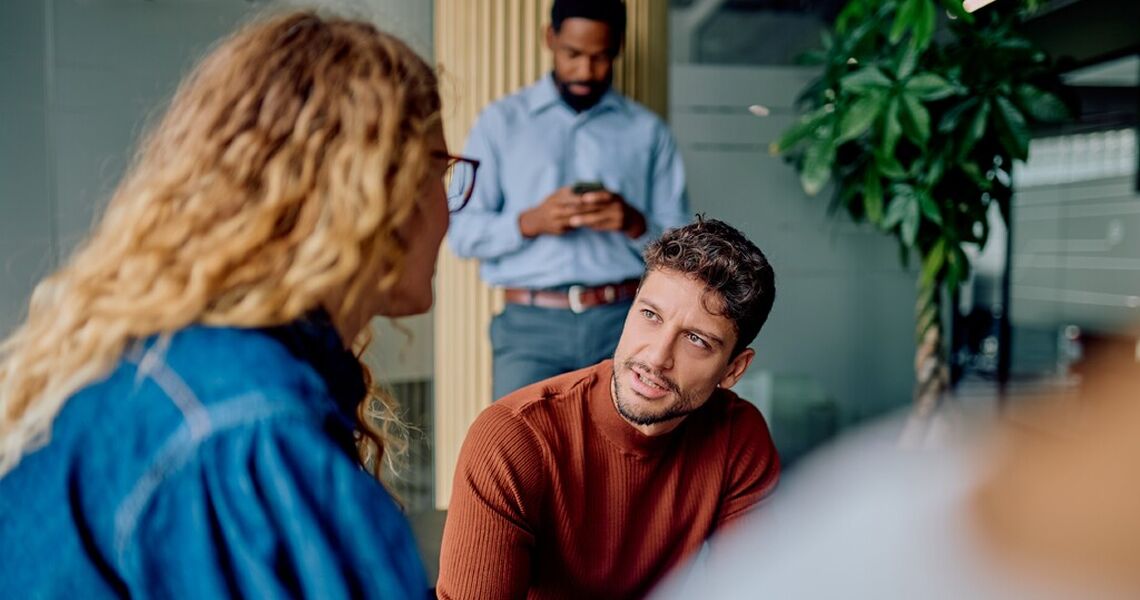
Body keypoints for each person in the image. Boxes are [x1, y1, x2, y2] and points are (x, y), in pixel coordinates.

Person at [0, 12, 478, 598]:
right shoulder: (246, 430)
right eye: (440, 170)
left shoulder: (183, 363)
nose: (451, 214)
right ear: (373, 186)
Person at [437, 218, 781, 599]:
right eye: (650, 315)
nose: (656, 356)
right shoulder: (512, 438)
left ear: (733, 369)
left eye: (696, 340)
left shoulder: (739, 437)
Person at [447, 0, 691, 400]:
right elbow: (460, 234)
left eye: (600, 57)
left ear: (618, 48)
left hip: (624, 322)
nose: (585, 71)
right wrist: (530, 222)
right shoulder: (499, 123)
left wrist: (634, 222)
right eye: (573, 54)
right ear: (550, 38)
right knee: (518, 454)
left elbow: (683, 249)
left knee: (622, 458)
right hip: (529, 329)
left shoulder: (648, 132)